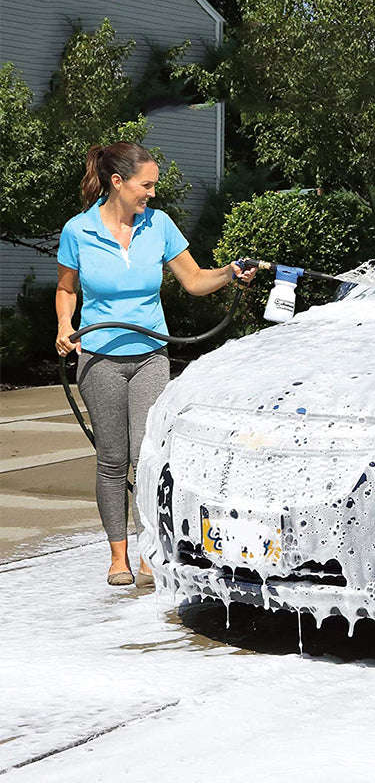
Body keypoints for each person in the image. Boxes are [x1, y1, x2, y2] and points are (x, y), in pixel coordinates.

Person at [55, 142, 256, 587]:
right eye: (145, 185)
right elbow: (66, 288)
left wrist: (229, 273)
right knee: (112, 459)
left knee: (145, 457)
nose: (151, 193)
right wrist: (65, 325)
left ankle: (150, 549)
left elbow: (194, 280)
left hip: (150, 355)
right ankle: (118, 557)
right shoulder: (78, 231)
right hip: (99, 358)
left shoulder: (158, 224)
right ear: (117, 182)